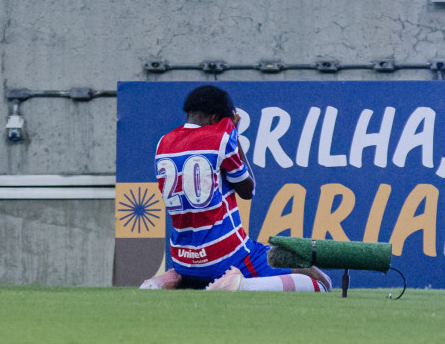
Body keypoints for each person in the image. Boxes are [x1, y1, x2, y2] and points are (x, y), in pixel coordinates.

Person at [140, 85, 331, 292]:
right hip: (227, 256)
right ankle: (239, 284)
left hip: (183, 259)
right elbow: (248, 190)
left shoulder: (163, 143)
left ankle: (175, 281)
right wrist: (233, 134)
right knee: (319, 280)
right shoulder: (219, 139)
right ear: (215, 117)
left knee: (197, 271)